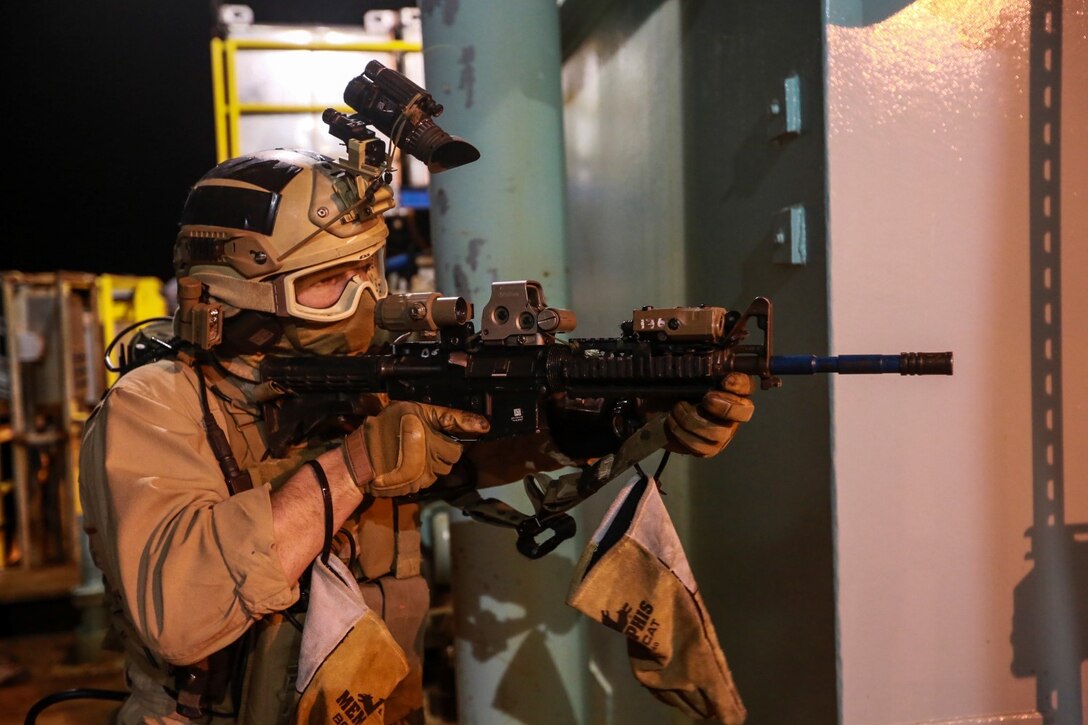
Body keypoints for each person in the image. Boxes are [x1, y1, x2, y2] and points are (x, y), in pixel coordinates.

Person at [78, 147, 755, 724]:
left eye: (367, 268)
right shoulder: (157, 404)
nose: (363, 299)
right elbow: (180, 613)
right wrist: (354, 466)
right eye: (329, 282)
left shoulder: (354, 378)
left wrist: (626, 417)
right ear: (230, 293)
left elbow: (471, 451)